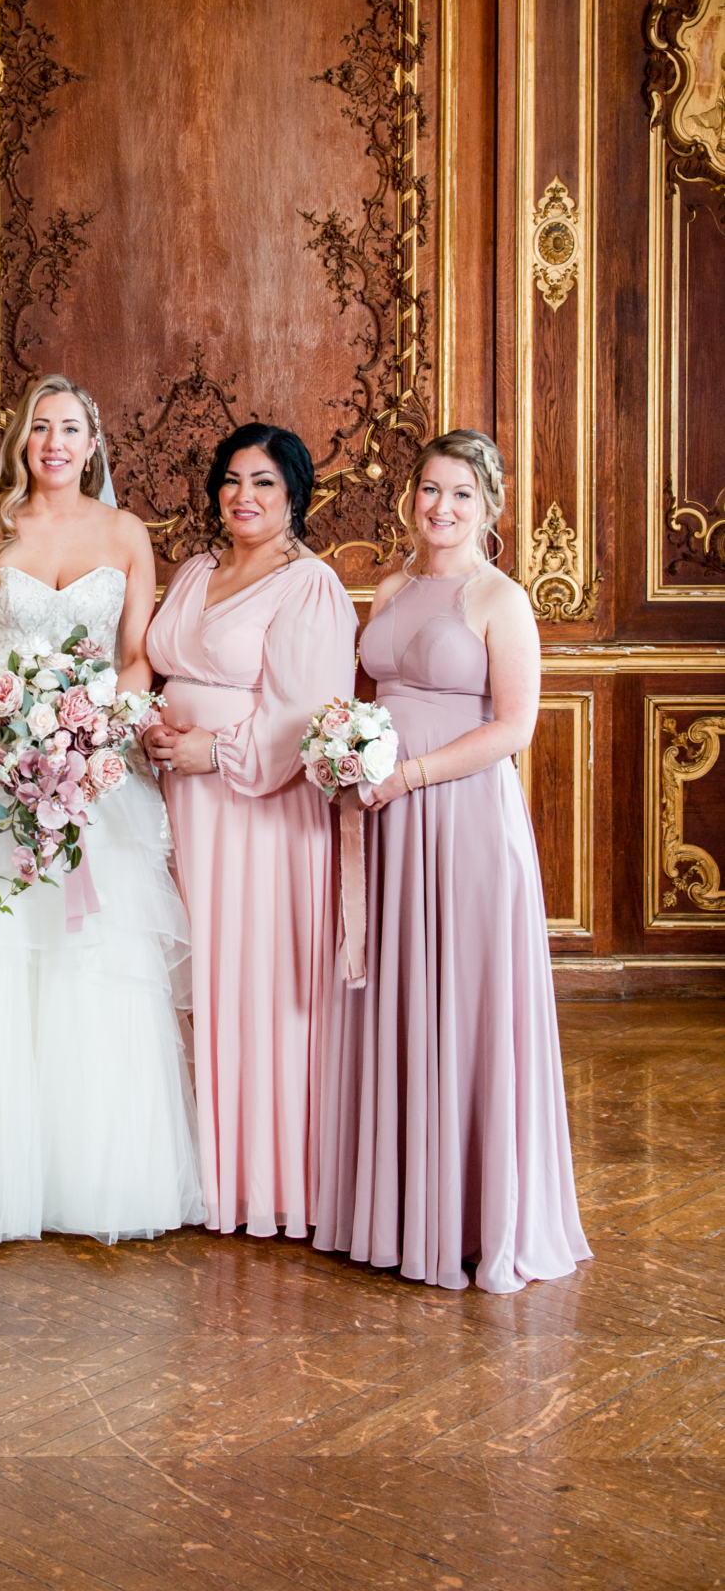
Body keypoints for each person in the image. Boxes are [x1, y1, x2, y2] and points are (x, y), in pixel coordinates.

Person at [0, 372, 205, 1245]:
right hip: (5, 762)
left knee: (95, 955)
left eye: (70, 428)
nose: (54, 443)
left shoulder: (125, 533)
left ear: (91, 445)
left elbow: (137, 657)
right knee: (3, 948)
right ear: (21, 440)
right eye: (40, 427)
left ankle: (99, 1174)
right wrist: (5, 714)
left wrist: (92, 730)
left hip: (96, 769)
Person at [313, 430, 591, 1293]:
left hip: (461, 818)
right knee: (399, 995)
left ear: (489, 506)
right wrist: (347, 753)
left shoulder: (500, 599)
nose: (441, 506)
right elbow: (368, 695)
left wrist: (409, 776)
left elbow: (513, 728)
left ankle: (471, 1219)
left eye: (461, 493)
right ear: (412, 497)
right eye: (430, 489)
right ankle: (400, 1213)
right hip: (386, 818)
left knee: (463, 1002)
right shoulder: (392, 587)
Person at [144, 425, 357, 1239]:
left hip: (257, 811)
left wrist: (215, 750)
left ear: (293, 493)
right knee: (191, 973)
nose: (243, 496)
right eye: (232, 480)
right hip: (181, 805)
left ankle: (262, 1179)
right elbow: (165, 669)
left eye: (263, 482)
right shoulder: (196, 569)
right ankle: (194, 1169)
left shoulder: (309, 585)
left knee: (252, 979)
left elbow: (307, 712)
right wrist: (152, 728)